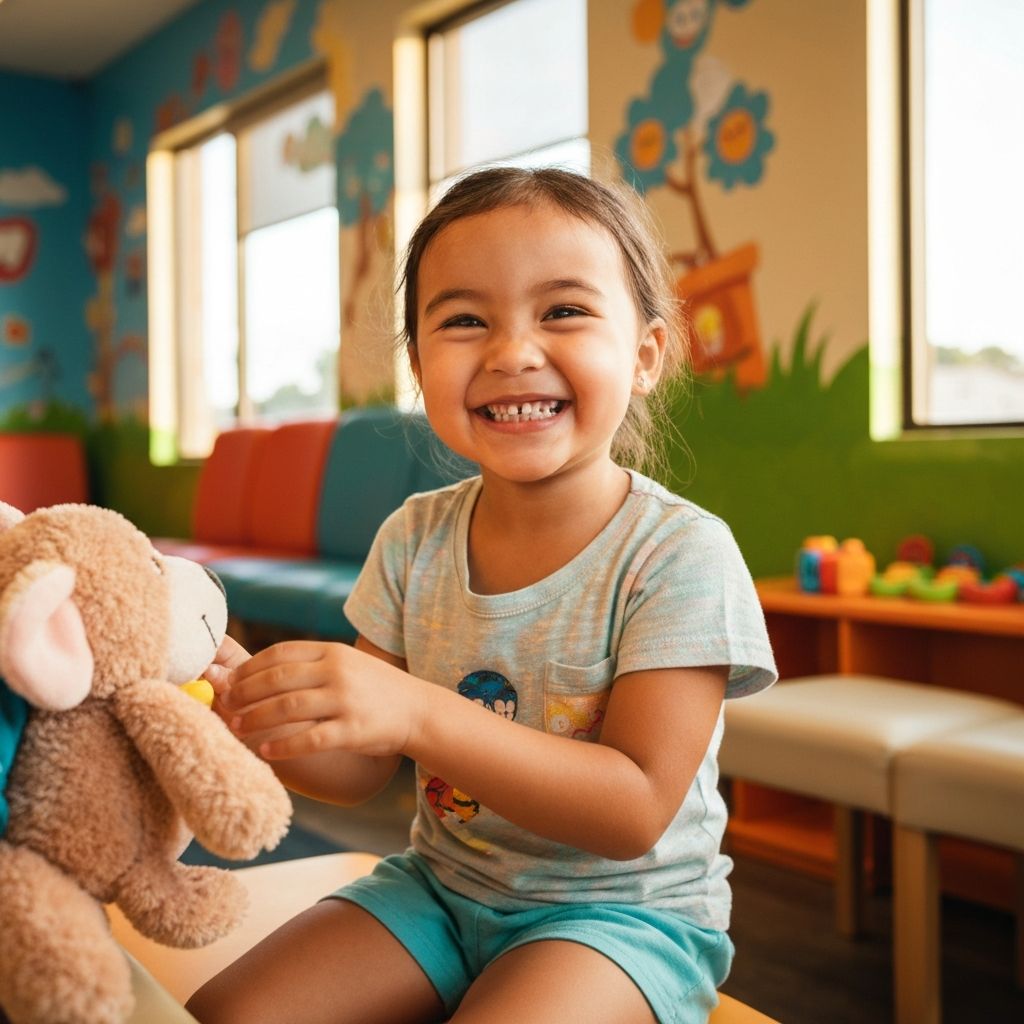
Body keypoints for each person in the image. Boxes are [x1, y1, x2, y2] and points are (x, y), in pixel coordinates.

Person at [186, 167, 776, 1024]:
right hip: (438, 889)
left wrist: (417, 714)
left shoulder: (680, 554)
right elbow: (356, 771)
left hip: (622, 919)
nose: (511, 351)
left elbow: (635, 809)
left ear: (646, 355)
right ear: (420, 366)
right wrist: (252, 708)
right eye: (464, 320)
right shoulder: (414, 537)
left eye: (564, 311)